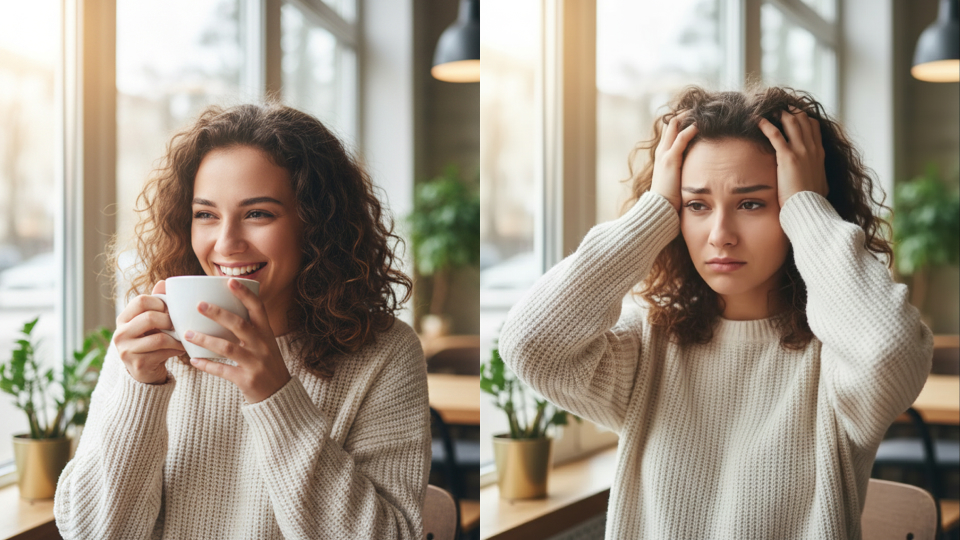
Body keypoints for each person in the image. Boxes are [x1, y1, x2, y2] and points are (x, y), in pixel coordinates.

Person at [498, 86, 933, 539]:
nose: (720, 234)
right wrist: (654, 211)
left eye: (752, 203)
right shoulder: (649, 346)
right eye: (696, 205)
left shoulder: (837, 362)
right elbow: (530, 344)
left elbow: (889, 351)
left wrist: (809, 208)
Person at [54, 103, 430, 539]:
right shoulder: (151, 342)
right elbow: (90, 533)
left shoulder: (384, 352)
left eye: (258, 214)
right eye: (206, 215)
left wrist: (274, 394)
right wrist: (141, 391)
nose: (226, 243)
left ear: (316, 223)